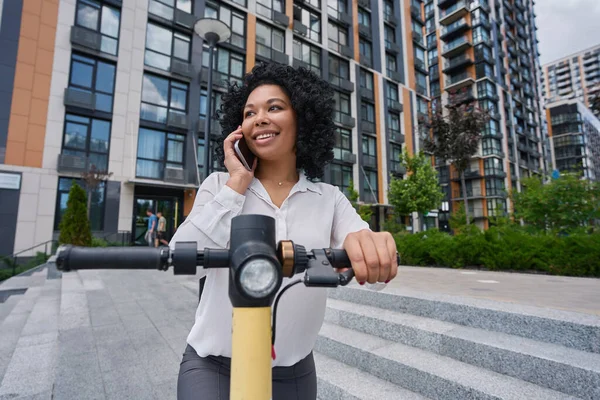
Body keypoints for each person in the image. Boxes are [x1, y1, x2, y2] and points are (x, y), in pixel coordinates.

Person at [170, 63, 398, 400]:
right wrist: (236, 185)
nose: (259, 118)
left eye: (274, 108)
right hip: (214, 367)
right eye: (249, 113)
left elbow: (374, 273)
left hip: (293, 374)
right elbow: (180, 261)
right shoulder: (219, 187)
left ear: (302, 121)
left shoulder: (329, 199)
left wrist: (372, 246)